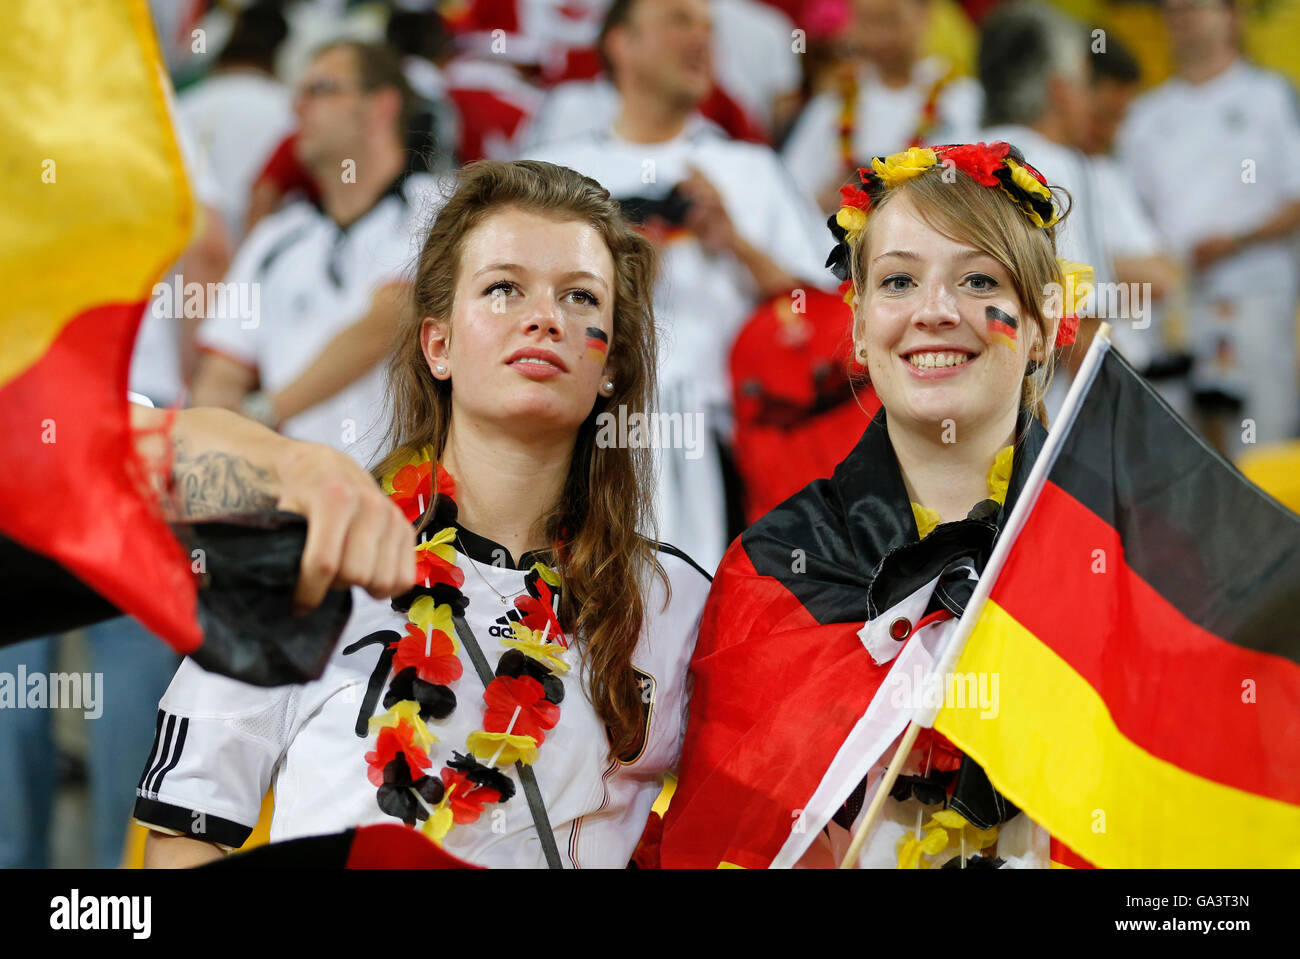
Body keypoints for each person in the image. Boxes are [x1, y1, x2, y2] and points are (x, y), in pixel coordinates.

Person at [135, 160, 712, 869]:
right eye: (503, 288)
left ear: (612, 365)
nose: (544, 317)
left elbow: (746, 822)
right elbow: (189, 827)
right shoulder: (310, 555)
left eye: (580, 298)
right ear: (437, 344)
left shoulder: (677, 601)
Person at [660, 141, 1090, 868]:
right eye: (898, 281)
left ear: (1045, 323)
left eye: (978, 277)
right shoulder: (770, 573)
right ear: (857, 326)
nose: (934, 311)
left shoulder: (1124, 555)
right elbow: (734, 841)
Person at [525, 0, 832, 572]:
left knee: (699, 616)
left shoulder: (749, 169)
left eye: (708, 28)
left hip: (715, 442)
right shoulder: (551, 171)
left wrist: (737, 244)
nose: (701, 39)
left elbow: (824, 310)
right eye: (678, 21)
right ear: (621, 43)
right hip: (577, 434)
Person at [190, 40, 444, 468]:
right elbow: (219, 377)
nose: (298, 106)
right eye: (298, 91)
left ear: (381, 106)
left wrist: (262, 414)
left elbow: (389, 320)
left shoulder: (439, 205)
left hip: (413, 504)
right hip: (289, 503)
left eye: (321, 89)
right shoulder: (277, 237)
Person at [1118, 0, 1300, 454]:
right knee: (1181, 454)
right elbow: (1127, 214)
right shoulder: (1145, 114)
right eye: (1172, 9)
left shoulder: (1271, 95)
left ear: (1232, 16)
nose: (1182, 17)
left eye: (1195, 6)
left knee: (1261, 443)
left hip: (1252, 295)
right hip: (1174, 310)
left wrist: (1237, 241)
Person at [782, 0, 983, 214]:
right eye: (866, 21)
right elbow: (789, 193)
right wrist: (822, 200)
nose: (879, 37)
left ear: (925, 15)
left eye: (890, 20)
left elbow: (973, 189)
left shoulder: (960, 98)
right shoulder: (834, 100)